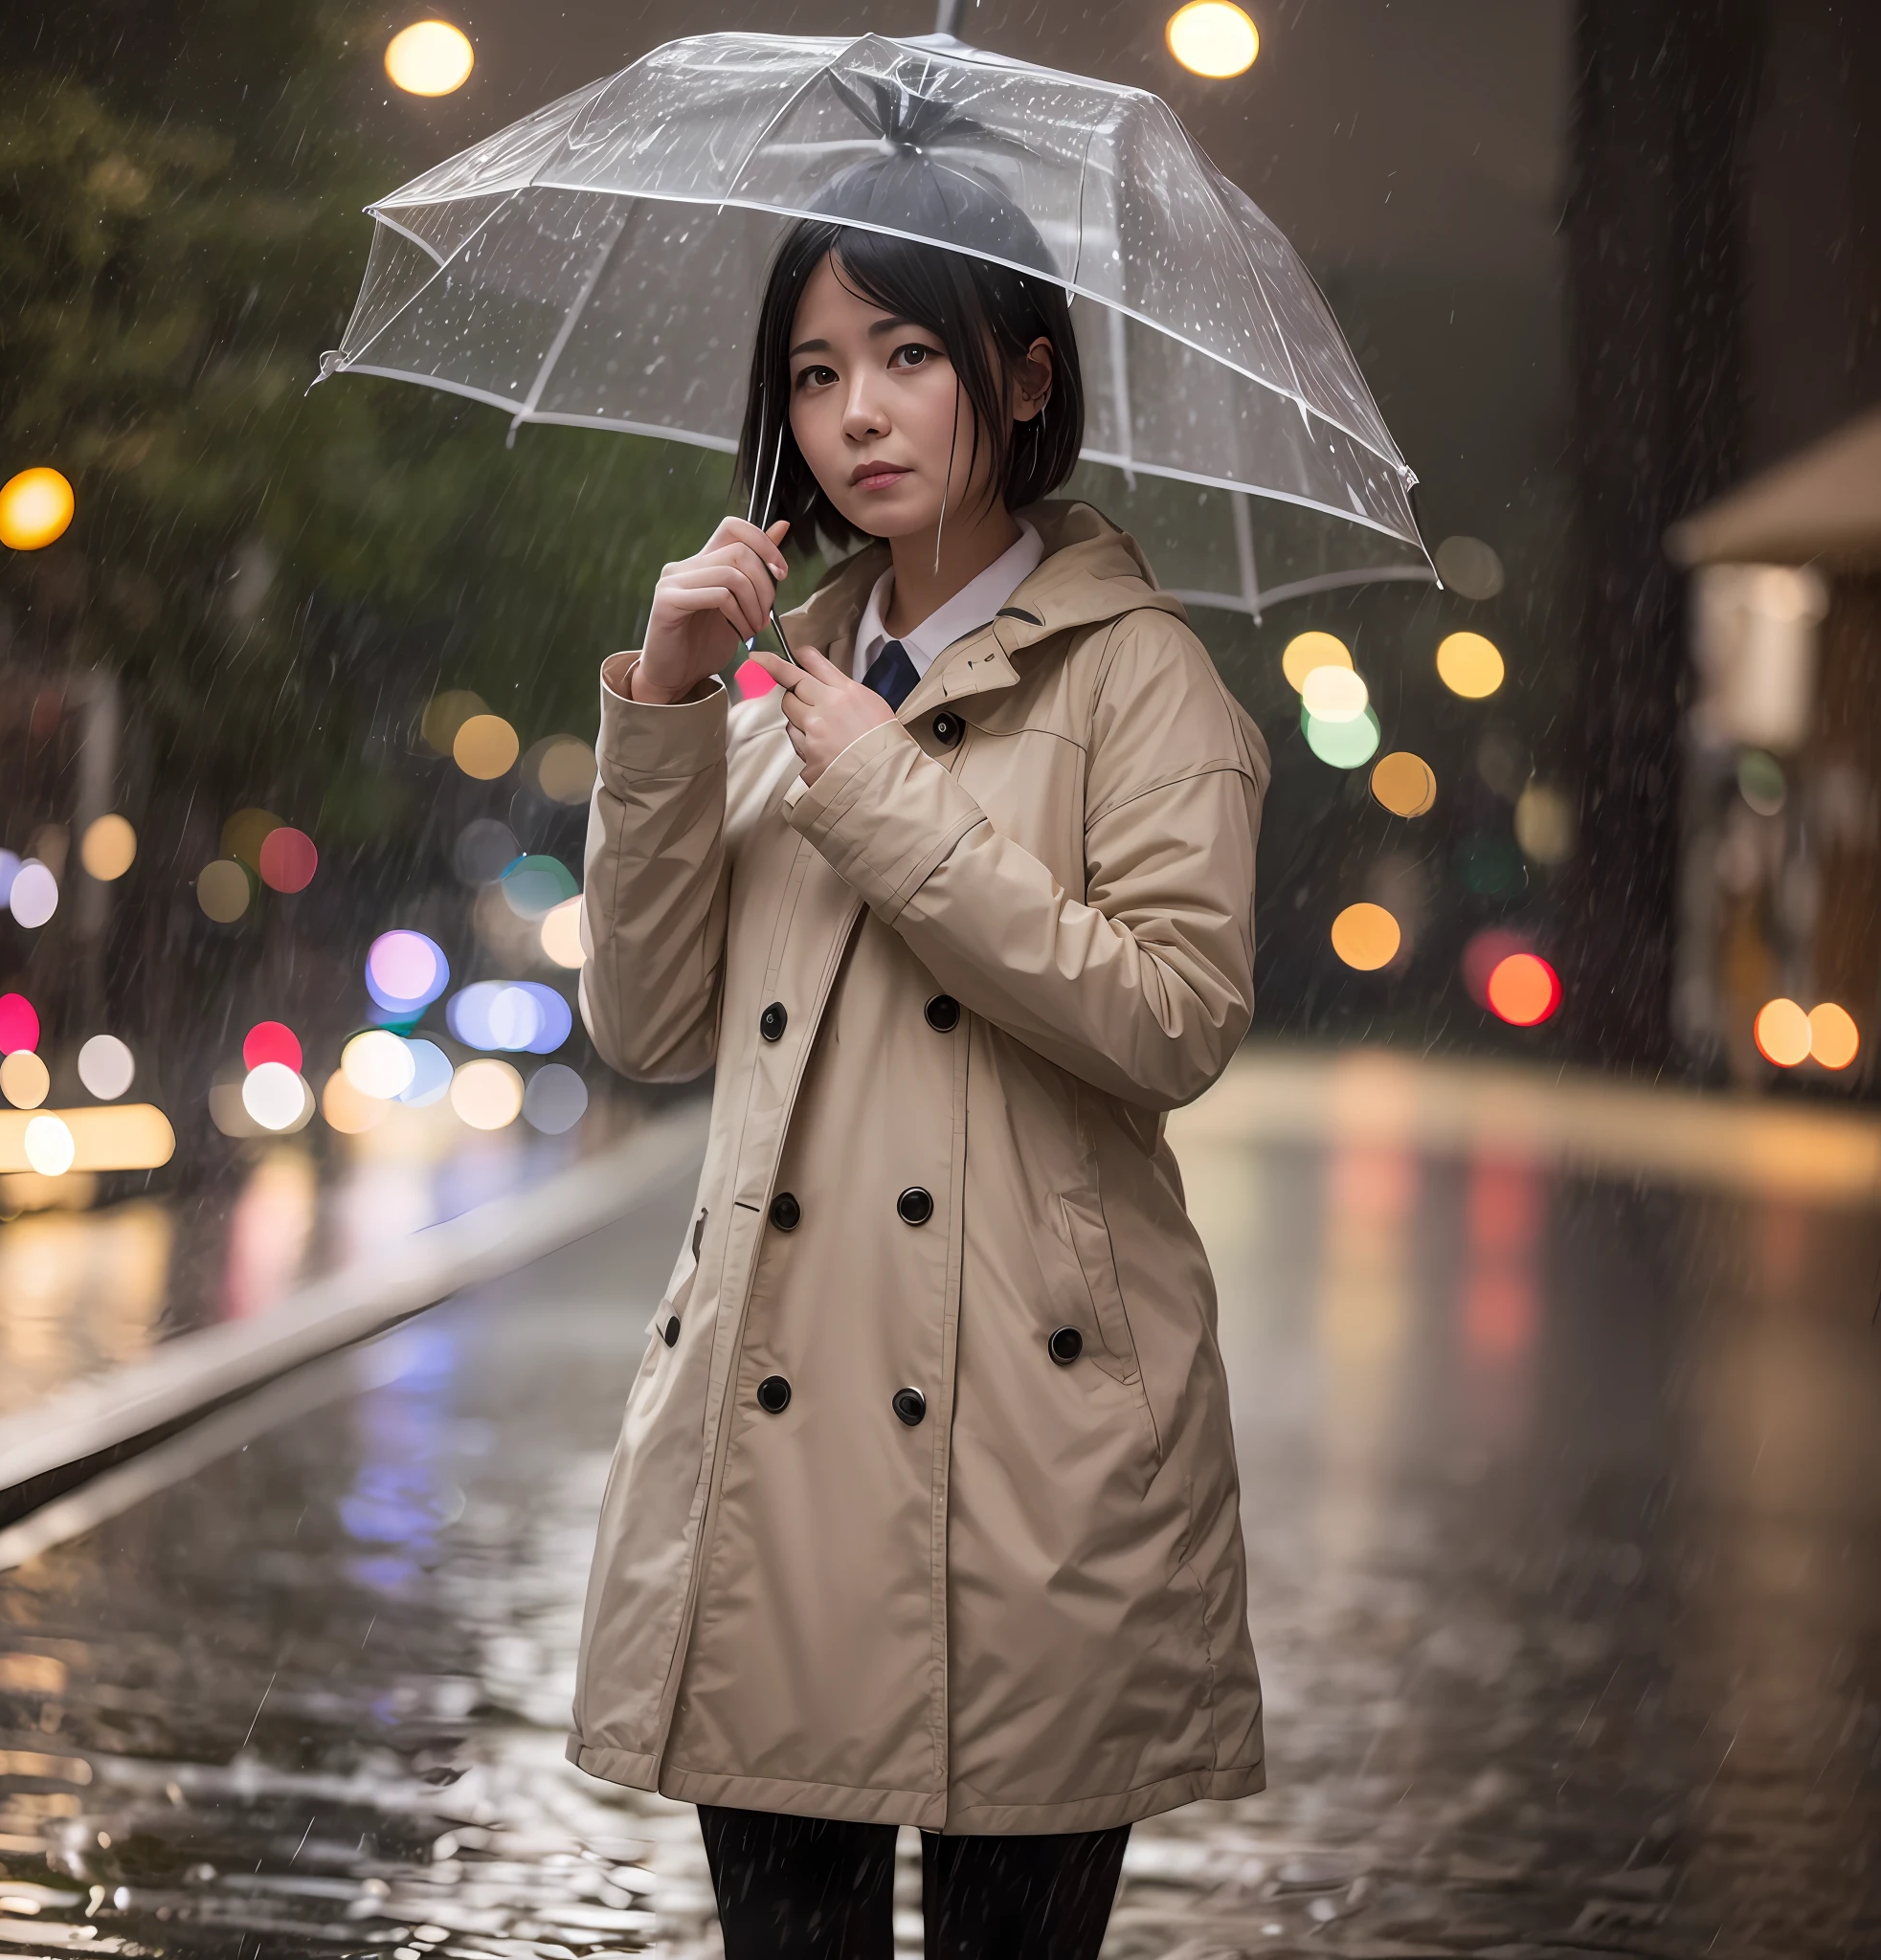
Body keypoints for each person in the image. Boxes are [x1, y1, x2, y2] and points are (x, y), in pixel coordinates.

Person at [571, 153, 1271, 1960]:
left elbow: (1175, 1019)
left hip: (1036, 1473)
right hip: (775, 1465)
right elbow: (646, 1025)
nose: (855, 414)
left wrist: (892, 806)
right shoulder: (780, 681)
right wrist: (662, 702)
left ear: (1025, 378)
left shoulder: (1143, 684)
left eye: (907, 355)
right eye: (813, 372)